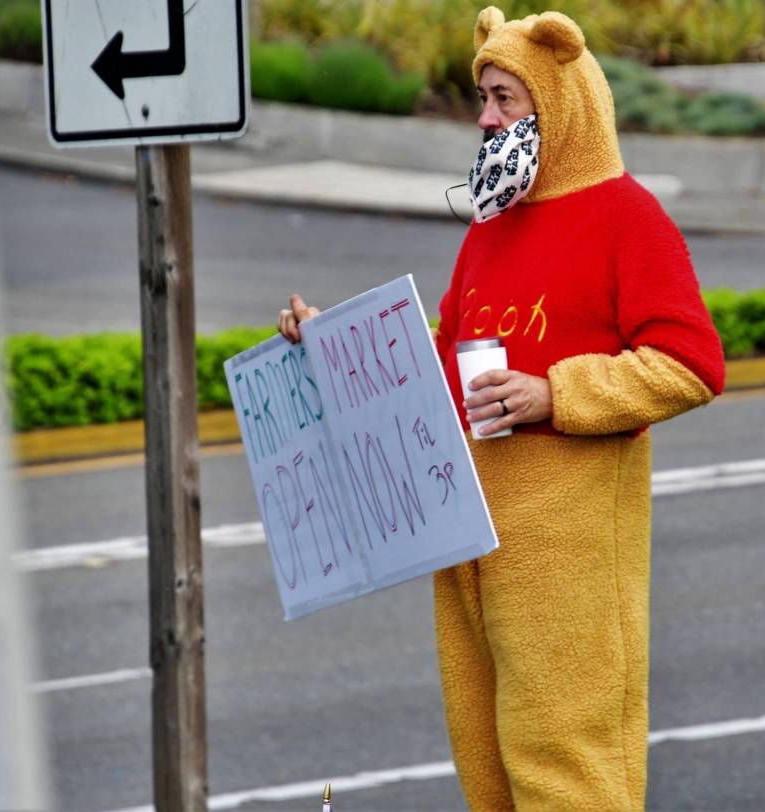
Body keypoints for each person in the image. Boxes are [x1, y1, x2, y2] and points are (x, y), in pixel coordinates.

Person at [278, 6, 726, 810]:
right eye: (481, 96)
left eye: (503, 98)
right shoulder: (489, 227)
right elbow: (446, 365)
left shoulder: (627, 216)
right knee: (487, 769)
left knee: (567, 773)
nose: (485, 119)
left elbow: (691, 362)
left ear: (558, 98)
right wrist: (335, 343)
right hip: (469, 538)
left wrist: (557, 393)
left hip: (568, 554)